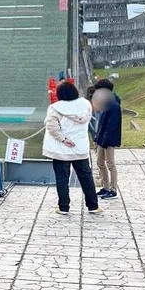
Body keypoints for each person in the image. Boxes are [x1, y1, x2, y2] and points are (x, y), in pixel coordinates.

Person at [42, 81, 102, 216]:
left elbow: (52, 127)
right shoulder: (85, 104)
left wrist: (63, 139)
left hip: (61, 149)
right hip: (80, 148)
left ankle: (64, 207)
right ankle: (93, 205)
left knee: (62, 178)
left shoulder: (55, 108)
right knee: (86, 177)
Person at [92, 78, 122, 200]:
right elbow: (102, 123)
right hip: (102, 138)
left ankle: (113, 189)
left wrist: (104, 140)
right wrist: (97, 137)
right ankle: (105, 187)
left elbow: (112, 125)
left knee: (110, 163)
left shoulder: (114, 105)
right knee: (100, 163)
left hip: (109, 139)